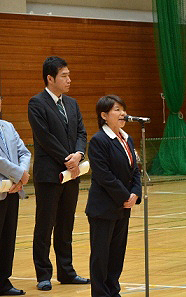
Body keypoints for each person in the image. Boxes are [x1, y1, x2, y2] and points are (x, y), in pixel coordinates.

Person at [28, 56, 89, 291]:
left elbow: (81, 132)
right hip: (49, 174)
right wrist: (68, 159)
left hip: (71, 174)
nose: (69, 80)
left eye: (69, 75)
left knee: (66, 224)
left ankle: (67, 271)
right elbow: (44, 138)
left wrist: (78, 154)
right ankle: (43, 273)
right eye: (64, 76)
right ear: (50, 78)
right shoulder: (37, 103)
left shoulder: (72, 103)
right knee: (45, 224)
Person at [86, 95, 141, 297]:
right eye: (117, 110)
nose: (122, 114)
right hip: (103, 207)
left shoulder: (127, 138)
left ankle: (112, 289)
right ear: (104, 115)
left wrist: (135, 193)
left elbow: (135, 170)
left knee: (117, 253)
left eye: (123, 109)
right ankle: (100, 292)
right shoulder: (99, 140)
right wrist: (125, 195)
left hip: (123, 206)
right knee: (101, 254)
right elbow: (104, 175)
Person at [0, 97, 31, 296]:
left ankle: (3, 281)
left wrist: (22, 175)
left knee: (7, 238)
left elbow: (24, 151)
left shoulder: (8, 126)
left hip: (12, 191)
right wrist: (19, 174)